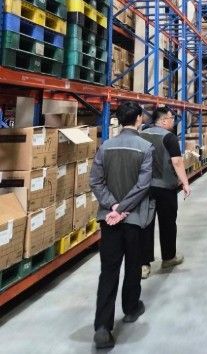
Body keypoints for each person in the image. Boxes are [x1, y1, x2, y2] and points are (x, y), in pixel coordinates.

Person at [90, 101, 155, 349]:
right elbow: (143, 185)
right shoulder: (145, 147)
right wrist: (124, 208)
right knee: (133, 265)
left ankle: (103, 327)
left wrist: (113, 205)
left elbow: (95, 181)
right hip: (135, 218)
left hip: (109, 219)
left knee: (108, 270)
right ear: (138, 119)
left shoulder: (105, 147)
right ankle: (130, 307)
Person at [140, 106, 191, 278]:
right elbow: (177, 162)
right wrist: (185, 183)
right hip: (165, 187)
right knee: (168, 223)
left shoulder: (141, 135)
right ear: (163, 121)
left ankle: (143, 264)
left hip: (145, 187)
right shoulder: (169, 137)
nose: (173, 121)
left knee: (145, 224)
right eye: (171, 118)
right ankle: (168, 257)